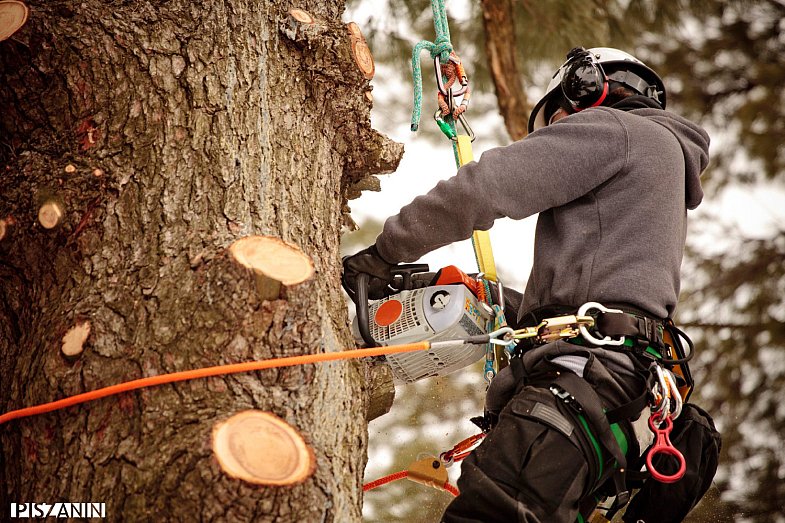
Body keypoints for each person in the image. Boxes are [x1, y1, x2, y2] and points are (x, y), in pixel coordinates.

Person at [343, 47, 712, 522]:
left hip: (577, 389)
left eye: (558, 120)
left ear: (588, 88)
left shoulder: (617, 129)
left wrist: (384, 253)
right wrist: (494, 299)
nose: (560, 133)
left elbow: (486, 187)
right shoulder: (661, 165)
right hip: (620, 402)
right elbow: (605, 302)